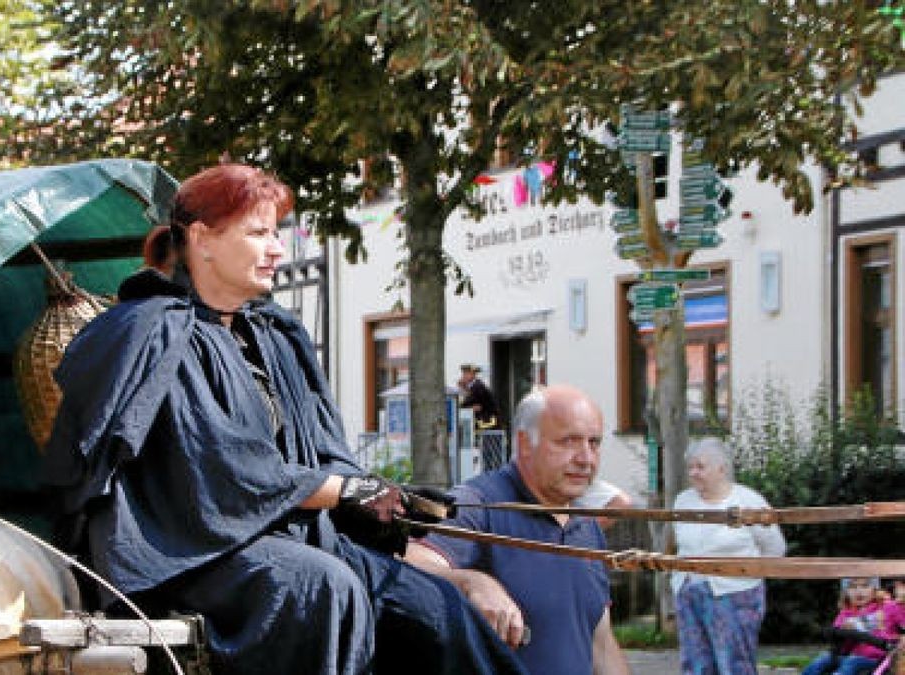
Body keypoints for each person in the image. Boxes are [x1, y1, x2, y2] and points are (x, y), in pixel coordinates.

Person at [41, 164, 524, 675]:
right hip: (190, 554)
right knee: (322, 587)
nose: (277, 248)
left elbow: (325, 455)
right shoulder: (151, 333)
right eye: (257, 233)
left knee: (437, 612)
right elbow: (221, 475)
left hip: (299, 537)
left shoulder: (276, 336)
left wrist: (384, 497)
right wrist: (345, 490)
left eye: (276, 233)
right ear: (203, 239)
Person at [405, 384, 631, 675]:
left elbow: (600, 643)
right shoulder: (479, 505)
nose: (586, 458)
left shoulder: (586, 525)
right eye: (568, 442)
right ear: (525, 443)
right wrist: (472, 582)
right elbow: (408, 563)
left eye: (594, 443)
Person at [671, 437, 787, 675]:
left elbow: (775, 548)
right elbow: (678, 545)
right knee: (695, 665)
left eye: (700, 467)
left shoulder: (747, 500)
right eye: (690, 467)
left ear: (721, 468)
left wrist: (747, 576)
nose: (693, 473)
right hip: (689, 594)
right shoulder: (683, 501)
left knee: (735, 665)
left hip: (736, 595)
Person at [801, 577, 905, 675]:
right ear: (846, 592)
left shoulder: (888, 607)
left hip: (880, 658)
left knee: (851, 662)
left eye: (865, 586)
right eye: (852, 587)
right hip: (851, 655)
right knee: (823, 660)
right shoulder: (845, 614)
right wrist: (845, 634)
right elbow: (840, 645)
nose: (859, 591)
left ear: (875, 589)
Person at [457, 363, 502, 430]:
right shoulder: (474, 386)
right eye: (463, 374)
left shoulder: (478, 386)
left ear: (473, 375)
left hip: (487, 422)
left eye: (466, 374)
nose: (463, 376)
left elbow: (466, 403)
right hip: (485, 422)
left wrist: (464, 389)